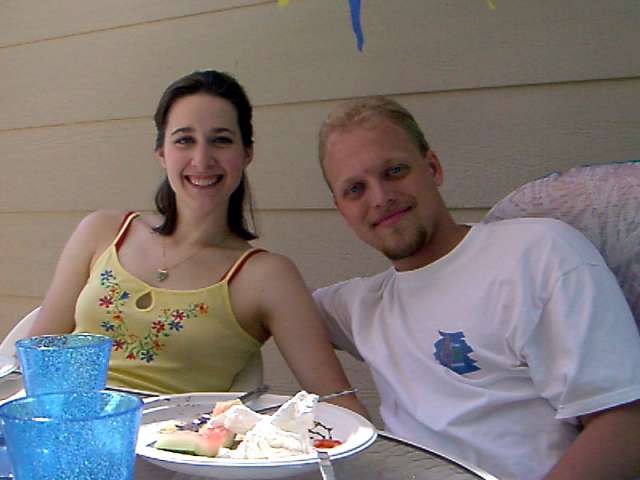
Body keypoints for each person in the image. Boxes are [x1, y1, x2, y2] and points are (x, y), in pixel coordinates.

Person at [313, 96, 640, 479]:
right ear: (342, 210)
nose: (380, 198)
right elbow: (265, 296)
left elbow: (624, 425)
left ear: (433, 168)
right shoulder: (361, 306)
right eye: (355, 189)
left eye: (395, 171)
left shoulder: (536, 255)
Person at [28, 70, 367, 417]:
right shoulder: (103, 232)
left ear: (246, 153)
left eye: (220, 140)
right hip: (63, 429)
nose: (202, 160)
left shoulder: (267, 277)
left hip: (173, 447)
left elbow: (338, 403)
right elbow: (34, 357)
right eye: (184, 140)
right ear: (161, 152)